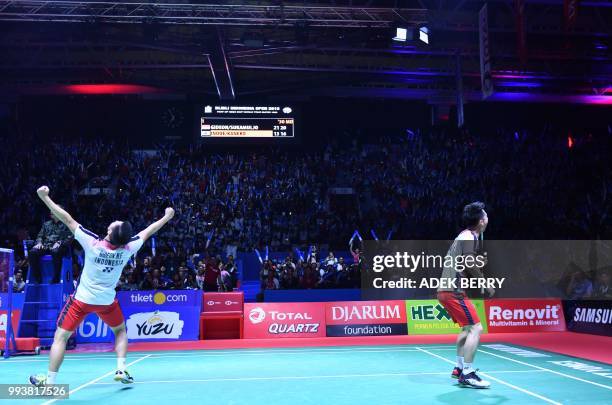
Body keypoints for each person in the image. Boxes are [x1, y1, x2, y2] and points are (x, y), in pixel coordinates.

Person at [30, 185, 175, 387]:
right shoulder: (128, 249)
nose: (115, 222)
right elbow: (148, 231)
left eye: (115, 223)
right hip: (106, 302)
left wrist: (44, 197)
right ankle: (121, 368)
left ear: (109, 231)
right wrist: (167, 217)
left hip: (81, 301)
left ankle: (50, 381)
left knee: (60, 337)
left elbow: (67, 219)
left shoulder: (92, 243)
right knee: (120, 332)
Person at [437, 201, 494, 389]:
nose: (487, 217)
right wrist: (485, 283)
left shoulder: (465, 236)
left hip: (446, 289)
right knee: (476, 329)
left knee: (465, 328)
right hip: (453, 290)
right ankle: (468, 374)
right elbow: (468, 263)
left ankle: (459, 368)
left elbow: (464, 263)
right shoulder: (469, 236)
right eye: (485, 215)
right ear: (481, 221)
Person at [29, 210, 73, 283]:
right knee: (32, 252)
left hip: (59, 247)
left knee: (55, 251)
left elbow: (70, 237)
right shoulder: (46, 224)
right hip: (46, 246)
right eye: (51, 210)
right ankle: (38, 278)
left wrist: (60, 242)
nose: (51, 211)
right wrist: (39, 243)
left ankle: (56, 278)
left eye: (54, 210)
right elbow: (40, 236)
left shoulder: (66, 224)